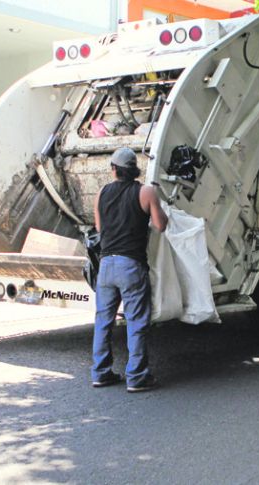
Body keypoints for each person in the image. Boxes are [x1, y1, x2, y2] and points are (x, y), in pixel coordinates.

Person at [91, 147, 168, 392]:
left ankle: (101, 373)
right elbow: (160, 225)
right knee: (136, 322)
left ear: (114, 169)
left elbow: (99, 228)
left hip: (106, 264)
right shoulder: (146, 192)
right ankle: (136, 376)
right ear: (134, 169)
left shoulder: (101, 193)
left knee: (103, 321)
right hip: (131, 265)